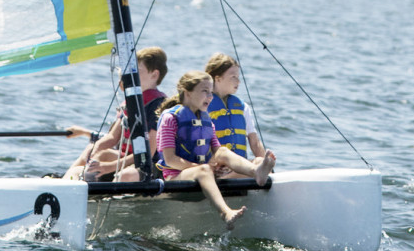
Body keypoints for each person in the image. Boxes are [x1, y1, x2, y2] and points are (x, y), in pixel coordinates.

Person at [155, 71, 275, 229]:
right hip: (176, 178)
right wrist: (202, 168)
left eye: (211, 92)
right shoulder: (170, 119)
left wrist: (219, 166)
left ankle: (256, 171)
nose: (210, 97)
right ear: (187, 92)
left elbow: (217, 151)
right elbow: (170, 160)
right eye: (205, 91)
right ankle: (225, 212)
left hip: (203, 173)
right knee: (204, 170)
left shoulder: (206, 120)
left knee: (232, 154)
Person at [64, 47, 168, 182]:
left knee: (117, 168)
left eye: (136, 70)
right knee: (92, 149)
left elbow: (149, 152)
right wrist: (95, 150)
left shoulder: (158, 106)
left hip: (147, 164)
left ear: (154, 75)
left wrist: (109, 167)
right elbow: (113, 137)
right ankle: (65, 181)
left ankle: (98, 186)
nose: (129, 74)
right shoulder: (131, 102)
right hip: (126, 158)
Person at [204, 53, 270, 178]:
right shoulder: (203, 106)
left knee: (260, 161)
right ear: (218, 79)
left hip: (240, 168)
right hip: (216, 169)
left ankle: (259, 173)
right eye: (233, 77)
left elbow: (255, 143)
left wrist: (270, 171)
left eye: (238, 77)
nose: (238, 81)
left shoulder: (243, 107)